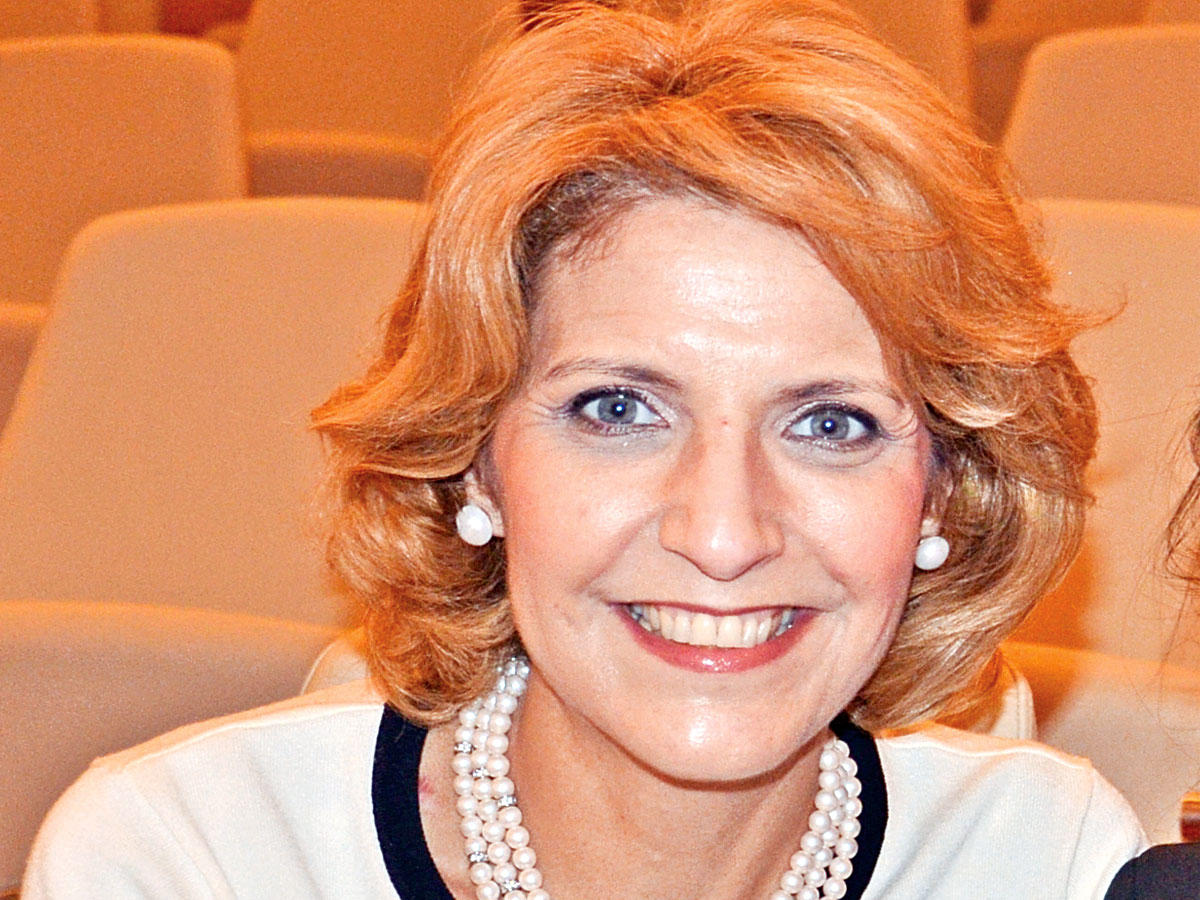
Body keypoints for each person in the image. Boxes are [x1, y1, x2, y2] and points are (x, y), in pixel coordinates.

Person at [23, 1, 1145, 897]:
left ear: (945, 489)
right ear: (475, 458)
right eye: (617, 410)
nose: (722, 534)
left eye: (830, 424)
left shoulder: (1040, 859)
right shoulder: (188, 857)